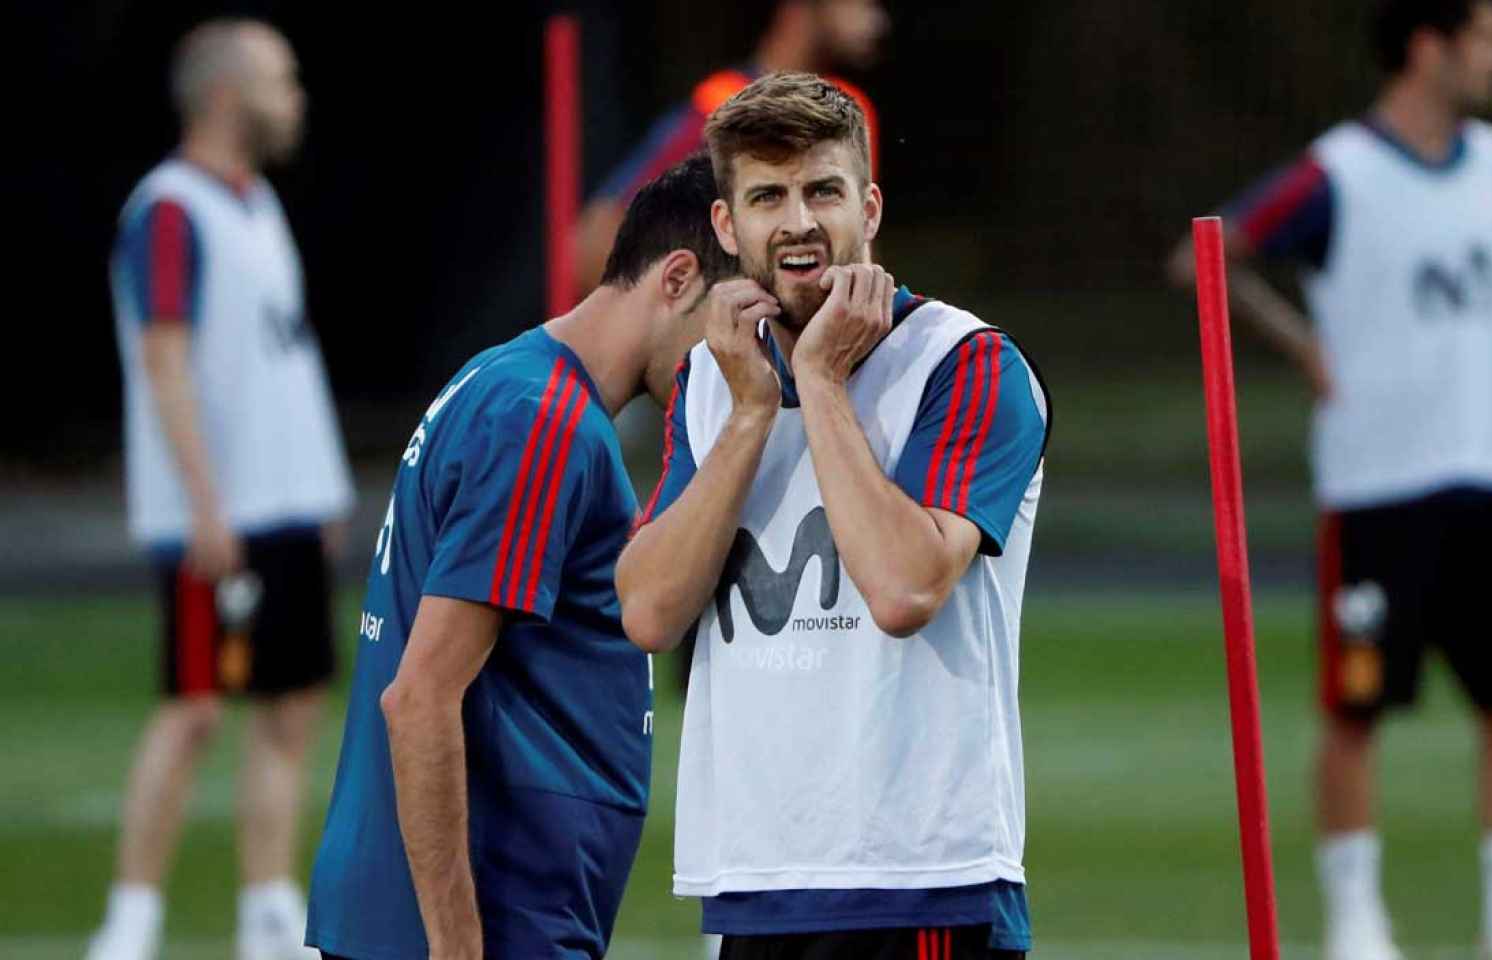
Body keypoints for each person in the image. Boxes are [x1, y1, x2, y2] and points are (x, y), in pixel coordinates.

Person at [1166, 2, 1492, 959]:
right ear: (1430, 45)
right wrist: (1304, 343)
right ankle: (1358, 921)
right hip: (1379, 480)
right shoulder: (1338, 173)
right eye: (1486, 36)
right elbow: (1206, 258)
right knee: (1355, 708)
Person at [619, 73, 1049, 960]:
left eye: (824, 190)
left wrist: (817, 381)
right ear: (728, 228)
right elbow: (651, 613)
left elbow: (902, 587)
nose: (800, 222)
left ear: (871, 207)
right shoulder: (713, 379)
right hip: (757, 879)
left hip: (921, 879)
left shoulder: (964, 365)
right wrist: (749, 414)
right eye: (768, 197)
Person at [303, 154, 739, 960]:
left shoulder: (512, 385)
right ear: (678, 278)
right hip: (493, 922)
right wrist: (458, 945)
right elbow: (422, 696)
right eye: (735, 319)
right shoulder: (544, 421)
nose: (739, 354)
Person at [93, 20, 354, 960]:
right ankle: (130, 921)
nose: (296, 98)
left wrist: (318, 485)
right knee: (196, 705)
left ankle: (268, 915)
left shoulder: (260, 208)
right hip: (218, 516)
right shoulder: (168, 210)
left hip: (284, 506)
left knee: (290, 708)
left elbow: (282, 357)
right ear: (227, 96)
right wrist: (201, 503)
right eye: (281, 80)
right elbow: (162, 359)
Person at [574, 0, 889, 296]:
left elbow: (858, 249)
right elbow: (593, 242)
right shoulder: (720, 105)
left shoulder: (850, 112)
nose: (877, 20)